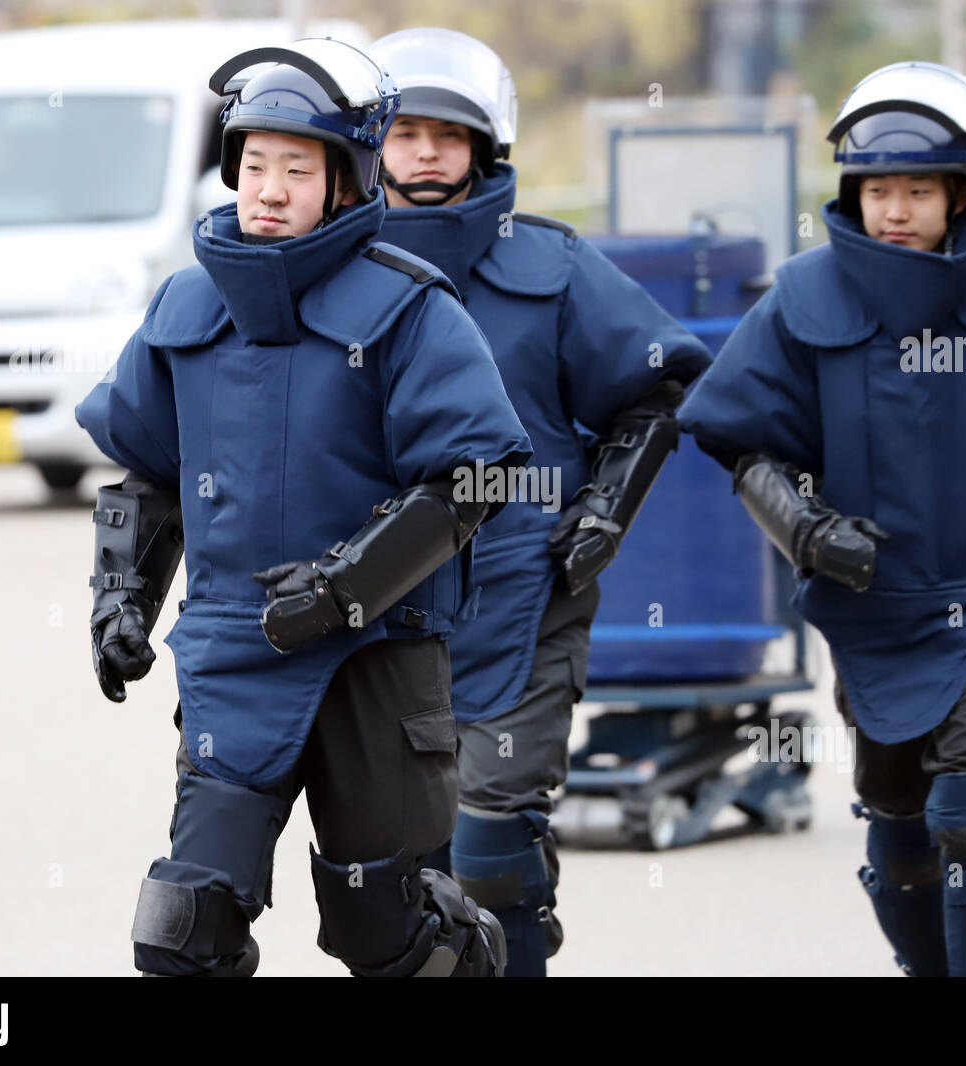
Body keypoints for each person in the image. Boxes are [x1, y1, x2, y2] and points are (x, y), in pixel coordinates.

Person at [678, 61, 966, 977]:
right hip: (871, 613)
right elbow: (741, 443)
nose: (895, 210)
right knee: (900, 834)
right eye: (877, 190)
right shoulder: (803, 301)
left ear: (961, 192)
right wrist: (808, 531)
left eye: (919, 190)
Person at [74, 38, 533, 977]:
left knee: (388, 935)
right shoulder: (182, 310)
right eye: (252, 166)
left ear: (348, 180)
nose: (268, 190)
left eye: (295, 167)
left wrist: (340, 587)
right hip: (234, 659)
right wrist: (122, 600)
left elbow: (478, 479)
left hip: (375, 662)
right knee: (180, 934)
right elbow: (146, 477)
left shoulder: (412, 311)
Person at [370, 27, 712, 976]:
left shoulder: (554, 268)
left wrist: (605, 509)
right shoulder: (331, 269)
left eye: (450, 133)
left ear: (486, 146)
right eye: (406, 134)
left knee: (490, 853)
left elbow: (663, 384)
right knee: (399, 875)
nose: (427, 152)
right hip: (378, 610)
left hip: (529, 593)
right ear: (373, 145)